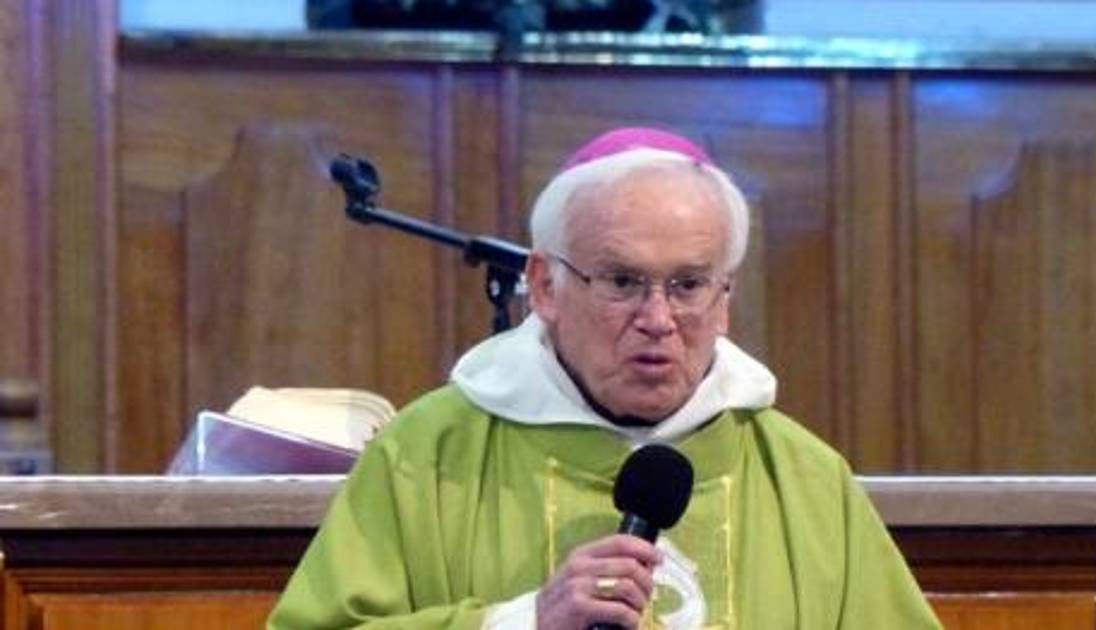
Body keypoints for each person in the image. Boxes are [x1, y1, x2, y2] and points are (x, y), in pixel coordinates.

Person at [268, 127, 942, 629]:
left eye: (688, 284)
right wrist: (523, 623)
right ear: (544, 285)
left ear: (725, 299)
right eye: (622, 281)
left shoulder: (805, 480)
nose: (658, 319)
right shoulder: (428, 456)